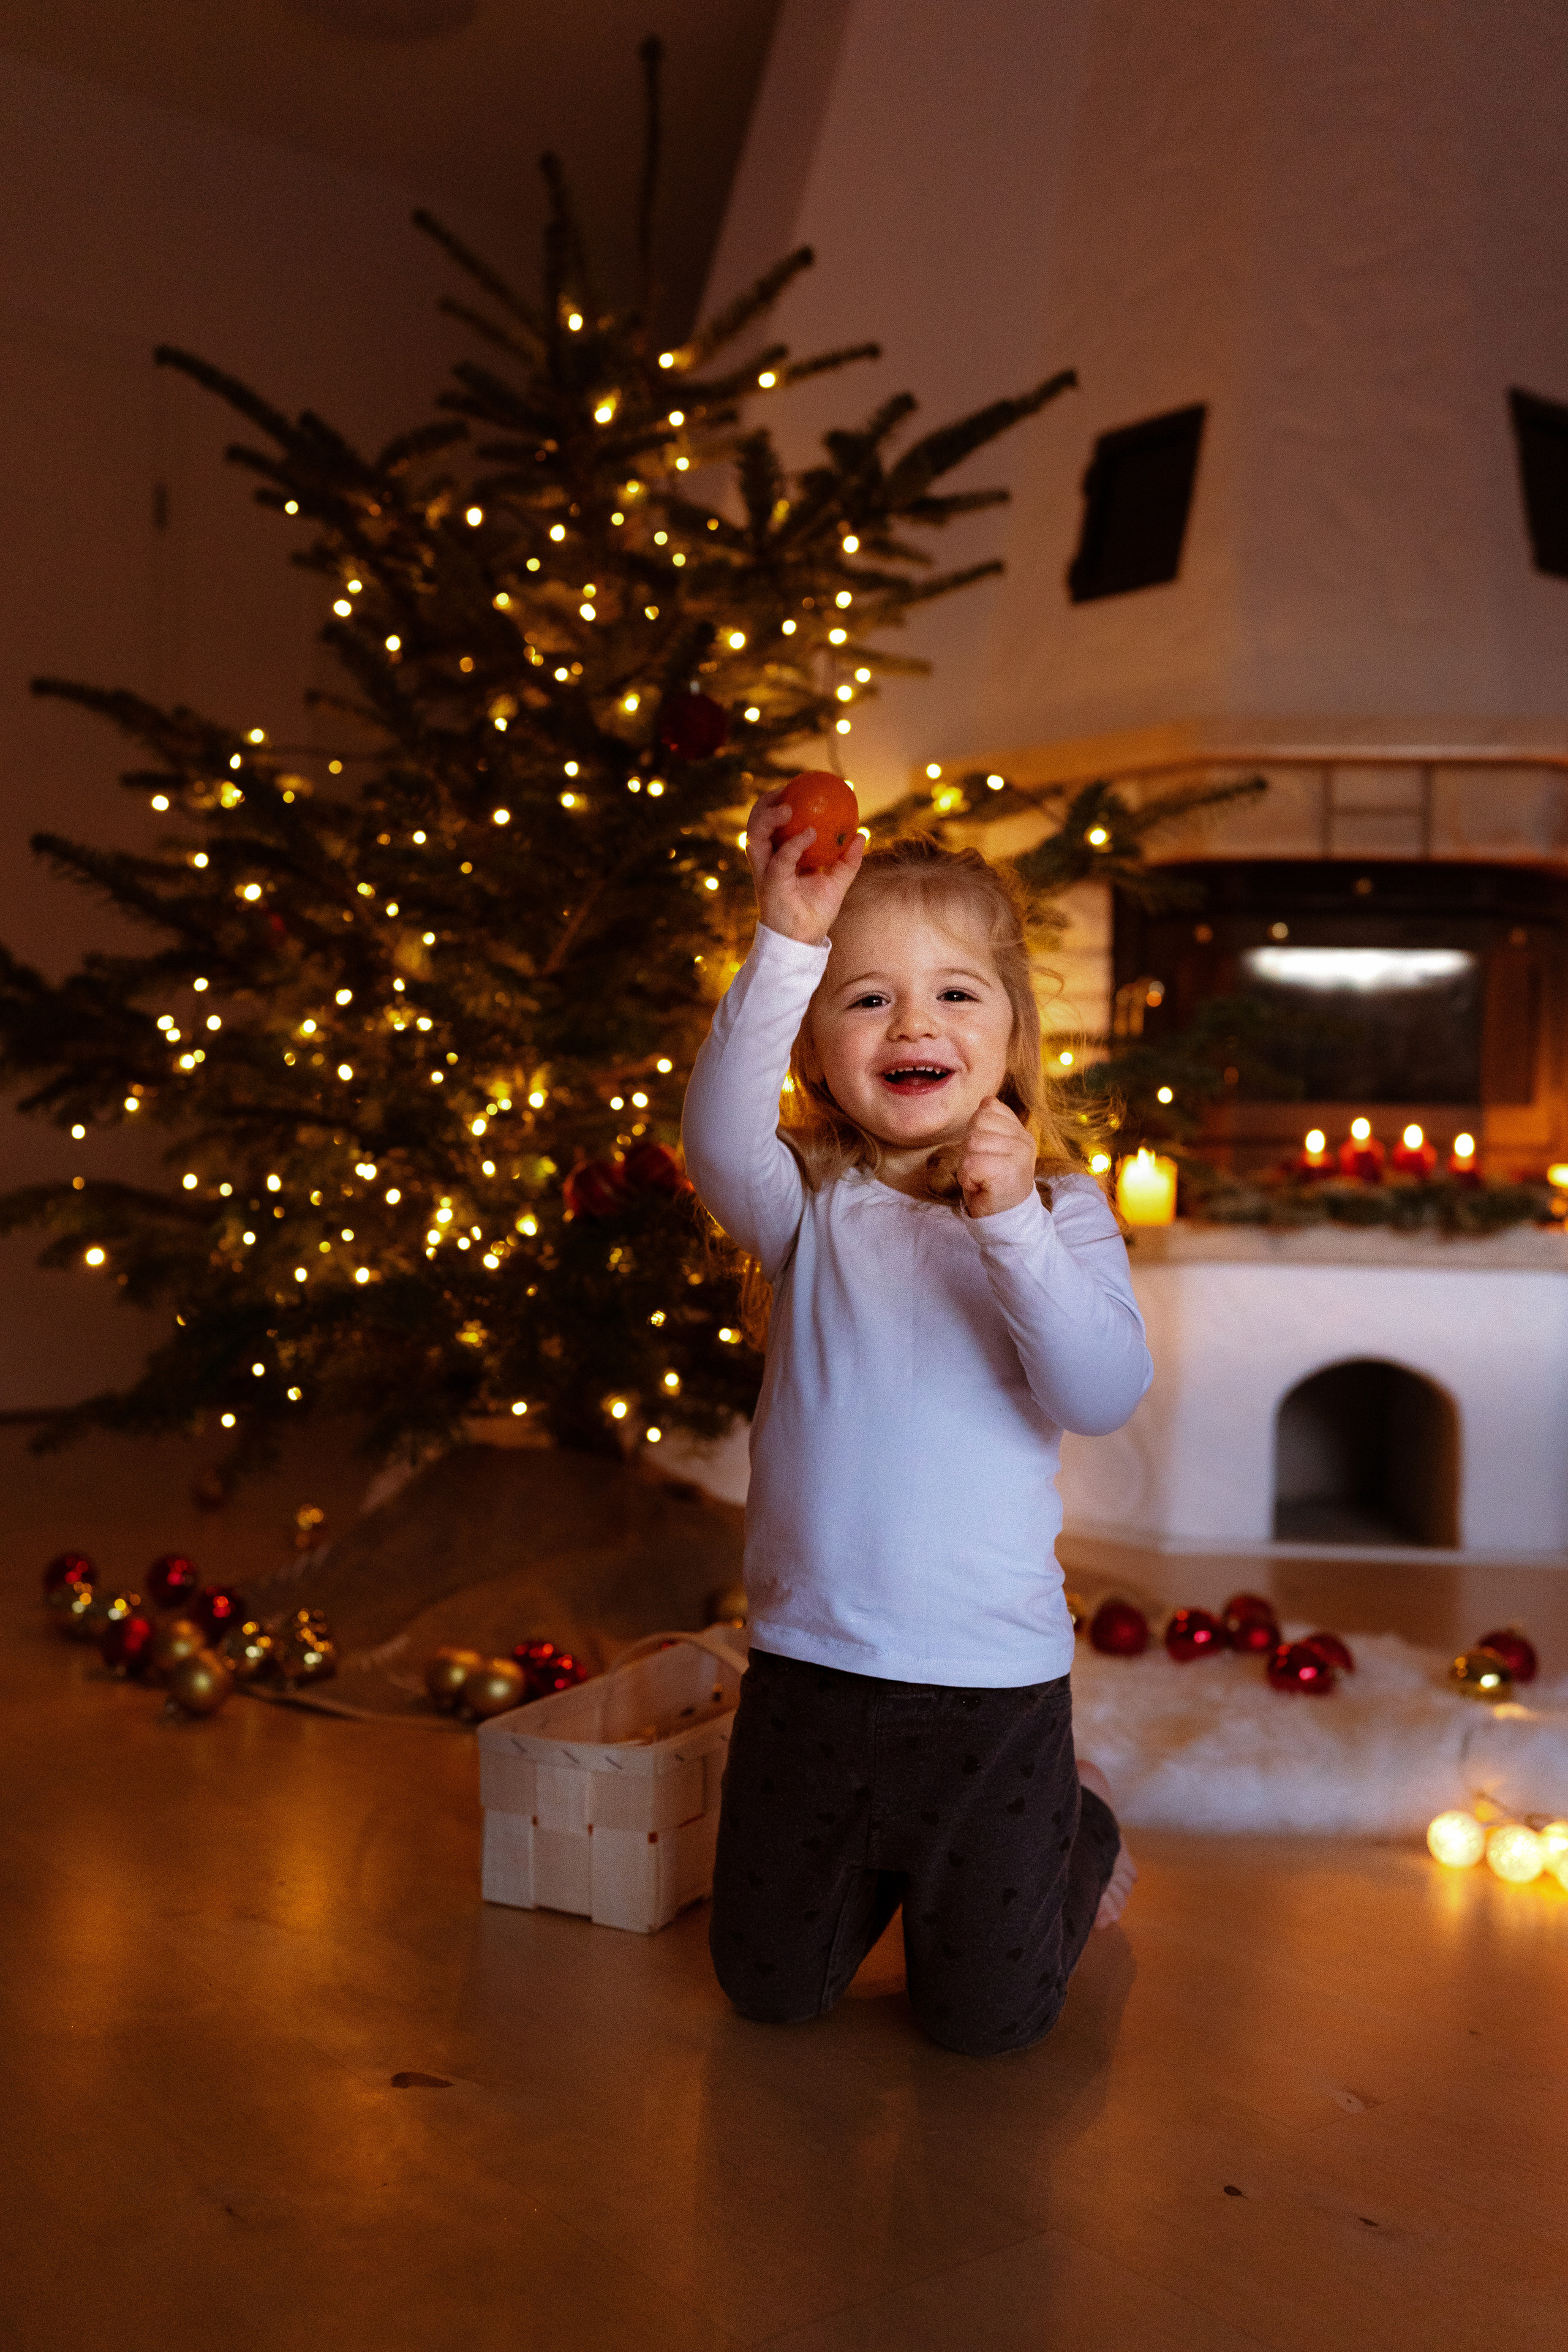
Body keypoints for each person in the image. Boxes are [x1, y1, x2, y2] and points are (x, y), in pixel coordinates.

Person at [681, 788, 1152, 2057]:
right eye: (865, 994)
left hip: (988, 1698)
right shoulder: (809, 1208)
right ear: (818, 1045)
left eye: (954, 993)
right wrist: (784, 937)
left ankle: (1078, 1827)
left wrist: (1006, 1228)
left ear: (1008, 1034)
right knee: (766, 1990)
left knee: (985, 2029)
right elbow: (711, 1138)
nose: (911, 1022)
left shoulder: (1058, 1210)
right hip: (806, 1676)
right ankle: (875, 1891)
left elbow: (1099, 1392)